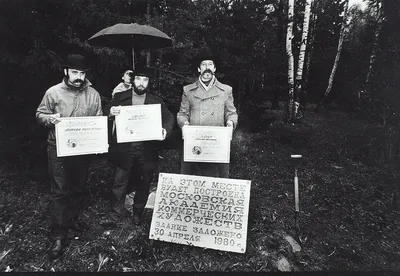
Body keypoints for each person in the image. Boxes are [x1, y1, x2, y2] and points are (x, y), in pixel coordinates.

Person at [36, 54, 103, 259]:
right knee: (60, 189)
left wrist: (97, 139)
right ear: (66, 72)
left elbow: (98, 119)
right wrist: (50, 119)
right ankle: (58, 234)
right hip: (58, 147)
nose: (78, 77)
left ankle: (72, 219)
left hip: (81, 149)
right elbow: (40, 114)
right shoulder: (53, 93)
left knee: (78, 186)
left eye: (82, 73)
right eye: (74, 72)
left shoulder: (93, 94)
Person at [100, 66, 174, 228]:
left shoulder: (156, 100)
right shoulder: (120, 97)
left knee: (144, 181)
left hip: (147, 148)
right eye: (138, 79)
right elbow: (105, 111)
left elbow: (169, 116)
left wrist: (165, 130)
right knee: (119, 182)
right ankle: (114, 215)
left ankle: (137, 213)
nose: (141, 83)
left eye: (145, 80)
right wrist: (111, 112)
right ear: (133, 80)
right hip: (124, 148)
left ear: (149, 82)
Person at [177, 48, 238, 178]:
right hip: (194, 143)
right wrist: (185, 124)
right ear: (199, 69)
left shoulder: (226, 90)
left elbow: (231, 112)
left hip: (217, 144)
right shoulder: (188, 90)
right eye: (203, 65)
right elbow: (182, 113)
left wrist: (230, 123)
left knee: (217, 182)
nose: (207, 68)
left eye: (210, 64)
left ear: (215, 69)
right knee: (191, 181)